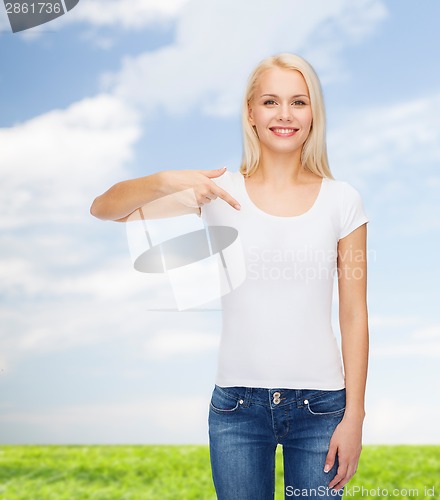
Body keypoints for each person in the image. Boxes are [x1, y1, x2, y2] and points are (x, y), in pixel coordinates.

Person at [91, 53, 369, 499]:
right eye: (270, 102)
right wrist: (166, 180)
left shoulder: (343, 200)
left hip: (321, 408)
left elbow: (354, 314)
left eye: (298, 102)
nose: (284, 114)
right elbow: (105, 208)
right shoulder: (218, 192)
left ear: (314, 112)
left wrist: (354, 416)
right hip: (238, 408)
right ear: (250, 113)